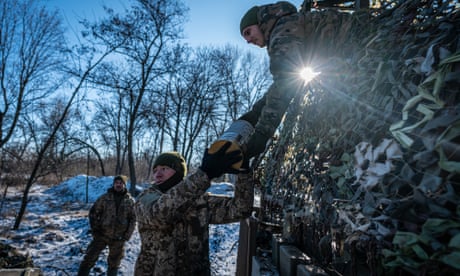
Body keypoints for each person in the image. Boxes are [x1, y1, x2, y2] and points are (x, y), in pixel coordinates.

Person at [238, 1, 356, 159]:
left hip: (363, 43)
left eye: (248, 32)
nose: (248, 40)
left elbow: (285, 84)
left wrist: (261, 135)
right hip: (356, 49)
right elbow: (282, 84)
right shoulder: (287, 25)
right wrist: (255, 113)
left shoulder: (282, 31)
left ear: (260, 23)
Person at [134, 142, 254, 276]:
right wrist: (204, 174)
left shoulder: (200, 202)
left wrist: (244, 171)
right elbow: (160, 214)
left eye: (164, 168)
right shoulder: (145, 197)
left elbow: (241, 209)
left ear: (179, 171)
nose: (157, 175)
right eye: (155, 170)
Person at [78, 175, 136, 276]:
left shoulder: (130, 201)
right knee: (89, 258)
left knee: (114, 264)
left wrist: (127, 236)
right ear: (113, 184)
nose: (118, 185)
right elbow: (93, 213)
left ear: (124, 185)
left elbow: (133, 219)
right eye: (116, 183)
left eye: (121, 183)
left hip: (119, 238)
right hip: (102, 235)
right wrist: (96, 231)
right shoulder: (105, 198)